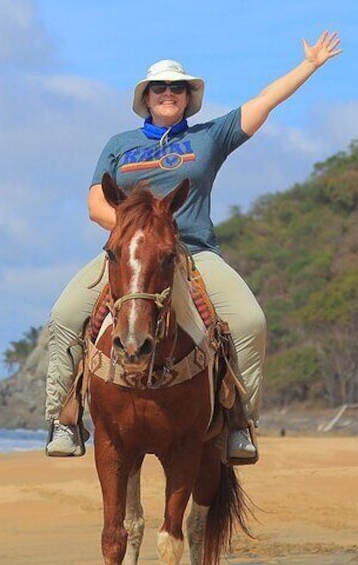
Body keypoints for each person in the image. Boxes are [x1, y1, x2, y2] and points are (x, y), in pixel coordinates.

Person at [45, 32, 342, 458]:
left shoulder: (210, 137)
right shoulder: (119, 145)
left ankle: (240, 421)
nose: (169, 93)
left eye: (178, 88)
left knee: (249, 321)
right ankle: (63, 420)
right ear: (146, 98)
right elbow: (96, 204)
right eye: (160, 88)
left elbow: (264, 101)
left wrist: (309, 65)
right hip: (128, 255)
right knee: (63, 316)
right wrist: (139, 234)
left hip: (194, 252)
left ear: (188, 98)